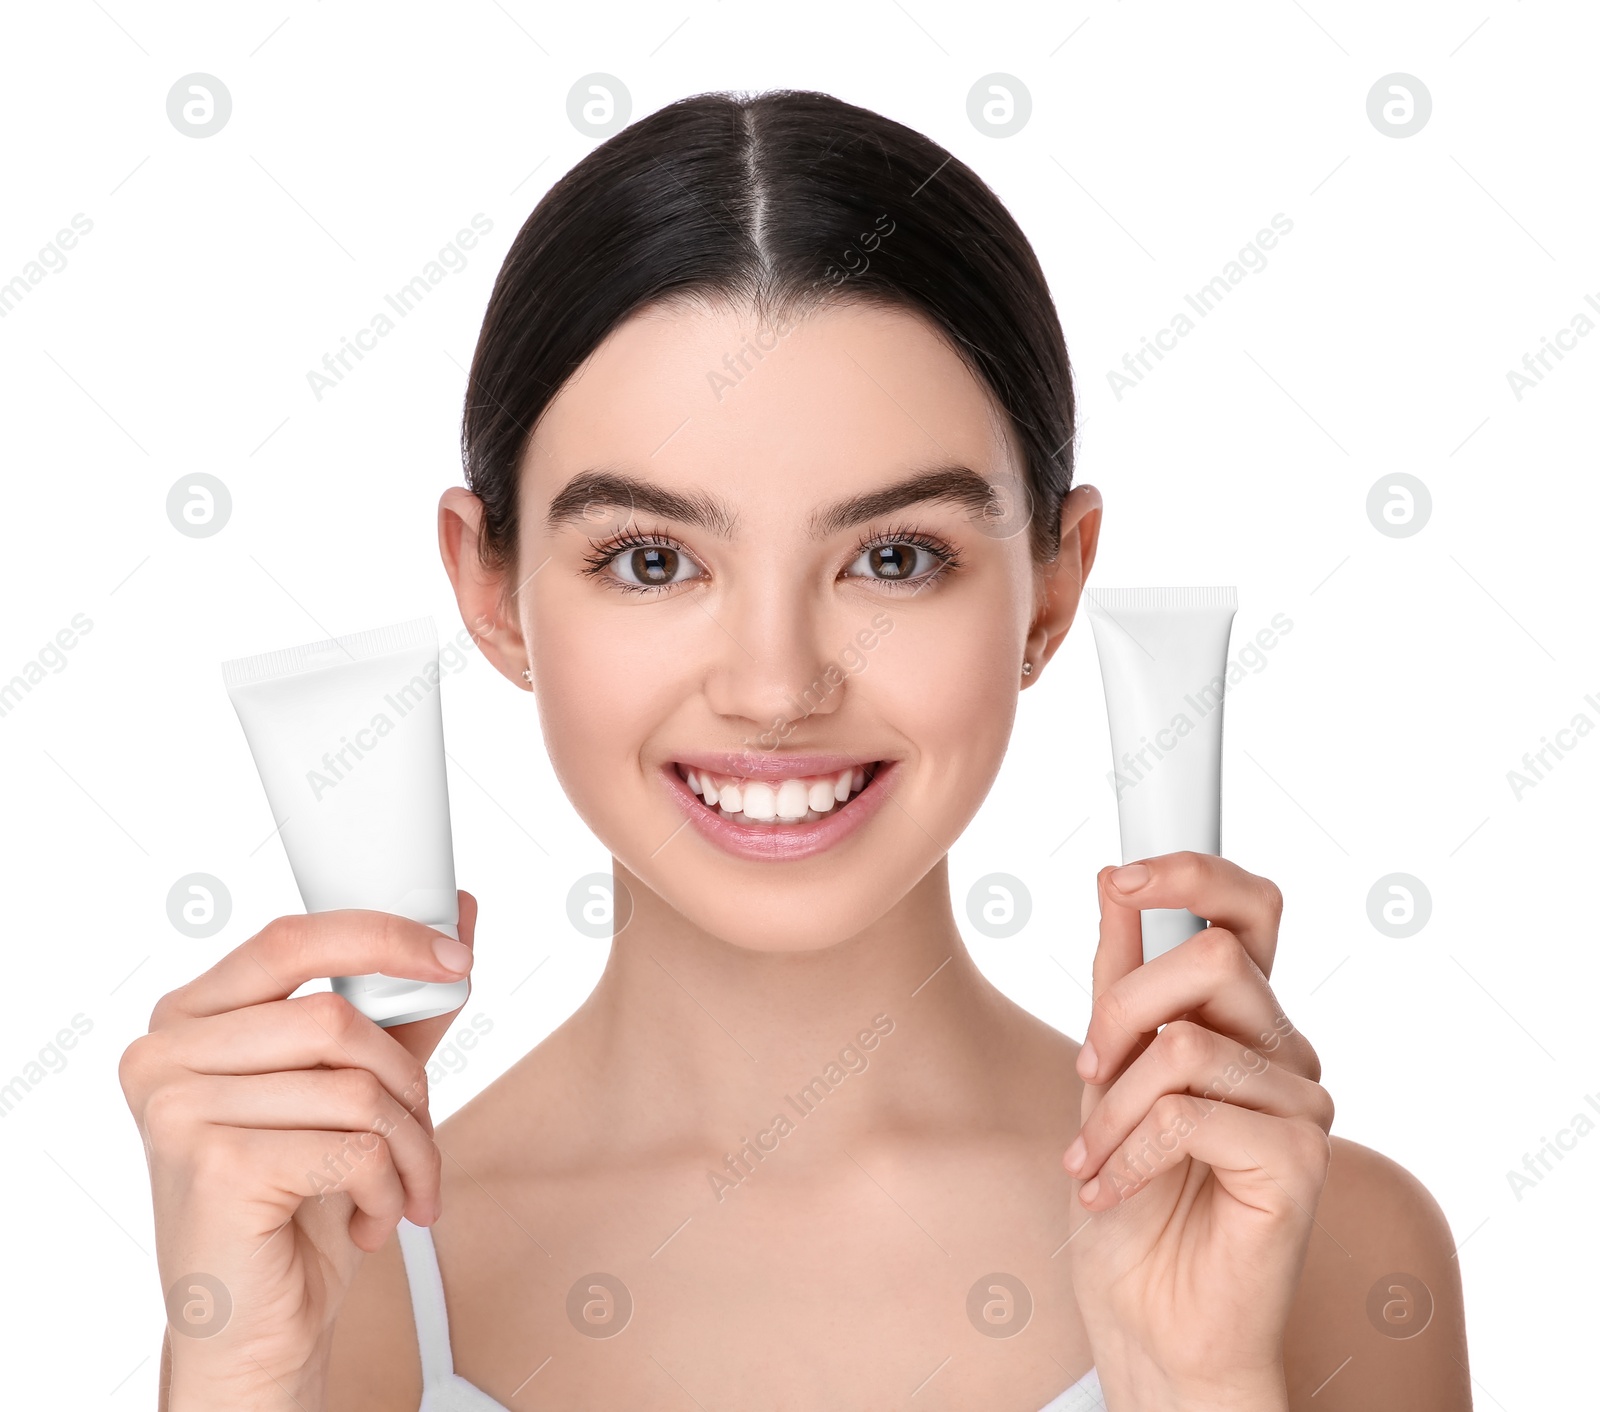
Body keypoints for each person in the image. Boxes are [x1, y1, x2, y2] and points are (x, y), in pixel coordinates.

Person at [120, 89, 1470, 1410]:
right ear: (491, 589)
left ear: (1052, 592)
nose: (777, 688)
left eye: (893, 557)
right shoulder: (322, 1275)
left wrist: (1199, 1381)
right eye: (653, 561)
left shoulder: (1328, 1249)